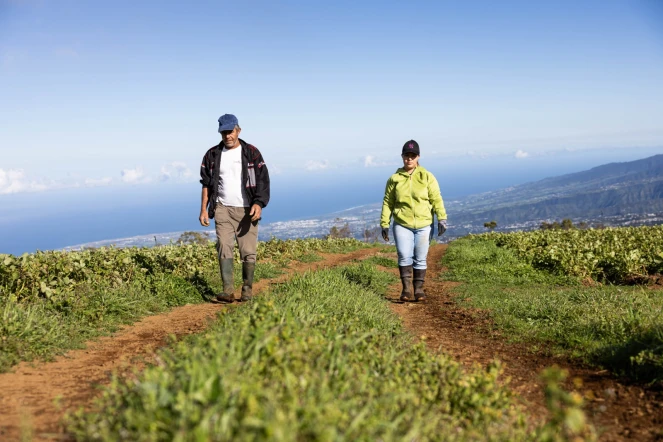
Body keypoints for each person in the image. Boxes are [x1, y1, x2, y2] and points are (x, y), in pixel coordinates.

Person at [199, 114, 270, 303]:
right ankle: (228, 290)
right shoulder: (212, 155)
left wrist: (258, 203)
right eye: (224, 132)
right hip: (222, 207)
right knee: (224, 246)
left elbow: (263, 180)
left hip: (247, 209)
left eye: (230, 131)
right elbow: (206, 183)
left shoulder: (252, 153)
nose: (227, 136)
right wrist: (204, 209)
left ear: (238, 130)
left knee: (247, 250)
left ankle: (247, 290)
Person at [380, 140, 447, 302]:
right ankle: (406, 290)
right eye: (406, 155)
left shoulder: (426, 176)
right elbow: (388, 202)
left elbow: (436, 198)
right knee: (404, 255)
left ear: (418, 157)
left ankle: (418, 290)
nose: (409, 159)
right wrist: (384, 223)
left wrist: (442, 218)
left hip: (424, 224)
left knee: (420, 257)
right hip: (402, 223)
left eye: (412, 156)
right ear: (402, 157)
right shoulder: (394, 179)